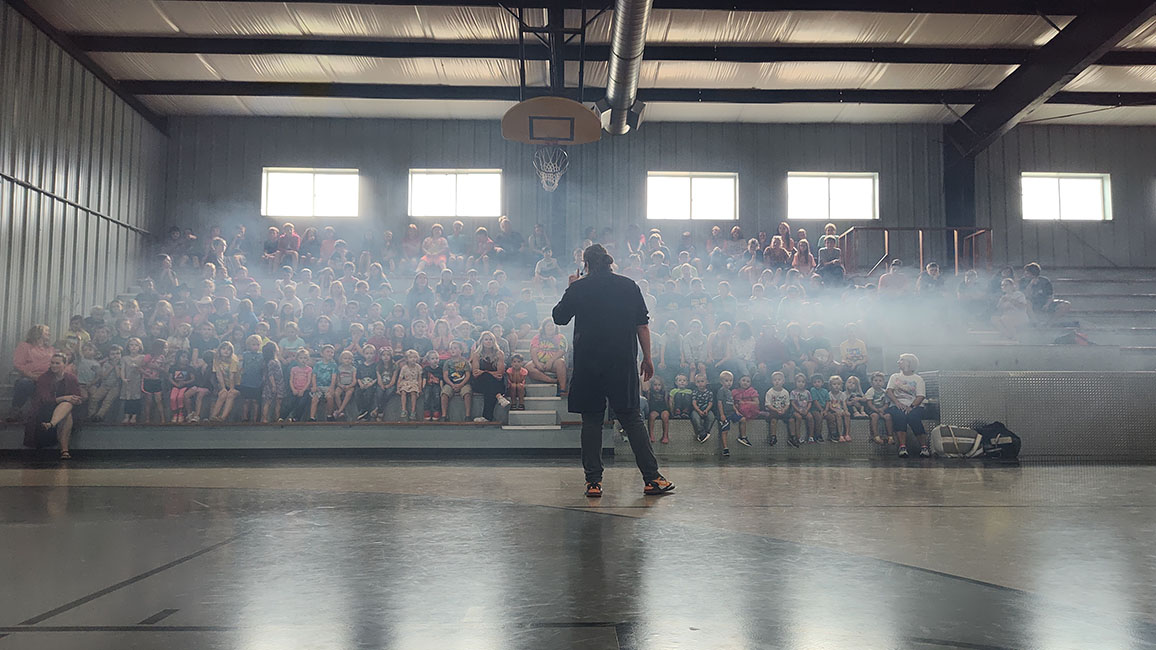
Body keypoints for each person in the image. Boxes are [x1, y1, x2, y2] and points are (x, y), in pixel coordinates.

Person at [552, 244, 674, 498]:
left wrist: (571, 286)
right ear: (610, 262)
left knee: (592, 421)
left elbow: (559, 317)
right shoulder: (629, 286)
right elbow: (642, 325)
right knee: (631, 418)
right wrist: (648, 358)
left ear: (586, 264)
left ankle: (593, 482)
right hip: (622, 362)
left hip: (588, 363)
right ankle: (652, 478)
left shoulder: (579, 287)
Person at [25, 353, 82, 458]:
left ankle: (51, 424)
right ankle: (64, 450)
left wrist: (75, 400)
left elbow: (78, 396)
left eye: (57, 363)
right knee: (67, 410)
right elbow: (45, 400)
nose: (54, 365)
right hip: (45, 408)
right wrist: (65, 398)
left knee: (67, 409)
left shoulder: (71, 378)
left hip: (66, 409)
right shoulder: (44, 378)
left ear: (64, 364)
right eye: (52, 363)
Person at [886, 353, 929, 458]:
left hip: (914, 405)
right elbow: (889, 391)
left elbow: (920, 396)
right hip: (897, 404)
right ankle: (902, 446)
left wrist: (911, 407)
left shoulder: (918, 379)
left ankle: (924, 447)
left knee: (913, 417)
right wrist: (897, 403)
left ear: (909, 363)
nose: (898, 362)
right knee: (899, 416)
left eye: (901, 360)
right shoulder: (894, 377)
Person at [11, 324, 56, 418]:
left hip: (48, 378)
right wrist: (32, 376)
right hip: (30, 378)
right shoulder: (25, 346)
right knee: (24, 383)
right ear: (38, 332)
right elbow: (18, 364)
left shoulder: (51, 349)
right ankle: (16, 410)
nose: (49, 333)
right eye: (46, 331)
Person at [469, 331, 506, 423]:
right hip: (480, 383)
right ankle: (498, 396)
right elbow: (475, 373)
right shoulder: (476, 354)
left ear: (494, 341)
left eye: (491, 340)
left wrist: (484, 372)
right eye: (486, 340)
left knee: (488, 383)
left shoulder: (499, 353)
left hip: (496, 382)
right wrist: (491, 373)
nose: (488, 342)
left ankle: (486, 417)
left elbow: (500, 373)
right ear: (482, 341)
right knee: (487, 377)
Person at [715, 370, 740, 457]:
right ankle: (725, 448)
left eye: (730, 381)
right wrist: (722, 414)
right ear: (721, 382)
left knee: (743, 419)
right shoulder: (721, 391)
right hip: (725, 414)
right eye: (726, 381)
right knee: (725, 431)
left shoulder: (730, 391)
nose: (729, 383)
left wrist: (736, 410)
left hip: (731, 412)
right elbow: (720, 403)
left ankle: (743, 437)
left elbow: (731, 402)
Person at [864, 371, 893, 445]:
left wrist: (882, 409)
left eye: (880, 381)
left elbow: (887, 403)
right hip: (872, 409)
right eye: (875, 380)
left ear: (883, 382)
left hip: (882, 409)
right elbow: (869, 403)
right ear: (872, 382)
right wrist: (877, 410)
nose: (878, 382)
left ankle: (890, 436)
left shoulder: (884, 392)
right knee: (875, 416)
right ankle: (876, 436)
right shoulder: (870, 391)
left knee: (888, 416)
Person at [765, 371, 792, 447]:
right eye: (775, 380)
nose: (777, 381)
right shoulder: (770, 392)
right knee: (773, 420)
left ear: (783, 381)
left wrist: (784, 410)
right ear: (772, 381)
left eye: (779, 379)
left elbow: (787, 404)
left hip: (783, 411)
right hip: (774, 411)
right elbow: (768, 404)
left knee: (791, 420)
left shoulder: (785, 392)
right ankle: (773, 436)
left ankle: (792, 436)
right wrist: (776, 410)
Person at [397, 349, 422, 422]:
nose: (413, 359)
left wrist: (420, 388)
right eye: (411, 357)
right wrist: (398, 388)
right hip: (406, 382)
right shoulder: (404, 368)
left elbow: (419, 378)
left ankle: (413, 411)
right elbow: (400, 378)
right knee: (403, 392)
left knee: (413, 393)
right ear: (407, 359)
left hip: (414, 382)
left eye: (415, 357)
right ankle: (404, 410)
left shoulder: (418, 367)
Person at [689, 373, 715, 444]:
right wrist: (699, 411)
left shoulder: (709, 392)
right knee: (695, 417)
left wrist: (706, 410)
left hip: (707, 409)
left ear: (706, 382)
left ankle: (706, 431)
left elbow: (710, 403)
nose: (700, 383)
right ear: (695, 383)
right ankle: (701, 431)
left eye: (702, 381)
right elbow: (694, 403)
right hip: (697, 409)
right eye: (698, 382)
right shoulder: (695, 391)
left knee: (711, 417)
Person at [789, 372, 813, 444]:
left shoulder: (807, 392)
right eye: (799, 381)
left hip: (805, 410)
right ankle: (798, 436)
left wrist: (807, 410)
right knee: (798, 417)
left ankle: (811, 436)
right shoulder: (793, 392)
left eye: (803, 382)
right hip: (796, 411)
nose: (801, 383)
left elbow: (810, 402)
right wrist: (798, 410)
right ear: (795, 382)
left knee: (810, 417)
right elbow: (792, 402)